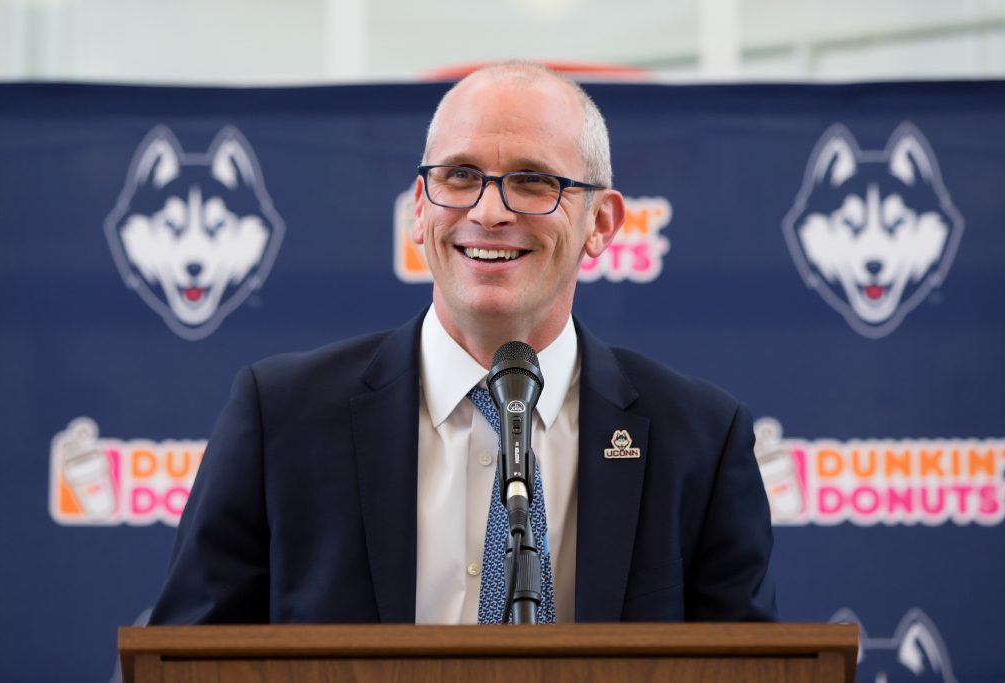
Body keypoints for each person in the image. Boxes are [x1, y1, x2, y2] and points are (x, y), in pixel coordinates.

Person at [148, 61, 777, 626]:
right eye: (460, 176)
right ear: (420, 208)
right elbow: (179, 662)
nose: (490, 211)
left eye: (532, 181)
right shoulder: (279, 416)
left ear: (601, 224)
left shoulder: (699, 438)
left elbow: (753, 670)